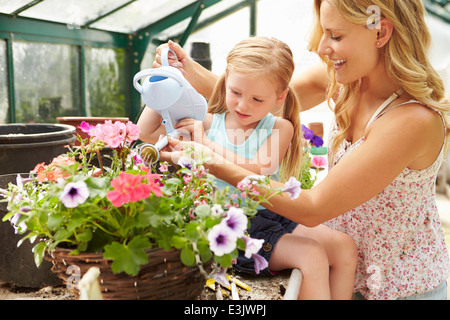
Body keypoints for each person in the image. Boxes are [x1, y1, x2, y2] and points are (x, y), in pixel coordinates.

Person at [155, 0, 450, 300]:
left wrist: (207, 159)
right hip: (344, 272)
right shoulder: (345, 83)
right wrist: (188, 70)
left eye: (335, 36)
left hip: (398, 290)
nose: (322, 47)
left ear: (380, 33)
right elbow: (260, 94)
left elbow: (312, 207)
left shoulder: (412, 121)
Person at [139, 36, 357, 300]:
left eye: (257, 99)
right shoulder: (208, 121)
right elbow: (146, 132)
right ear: (226, 82)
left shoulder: (279, 127)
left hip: (274, 215)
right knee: (312, 257)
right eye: (236, 93)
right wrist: (165, 81)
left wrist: (206, 145)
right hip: (231, 226)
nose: (243, 105)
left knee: (344, 247)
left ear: (280, 97)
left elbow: (258, 171)